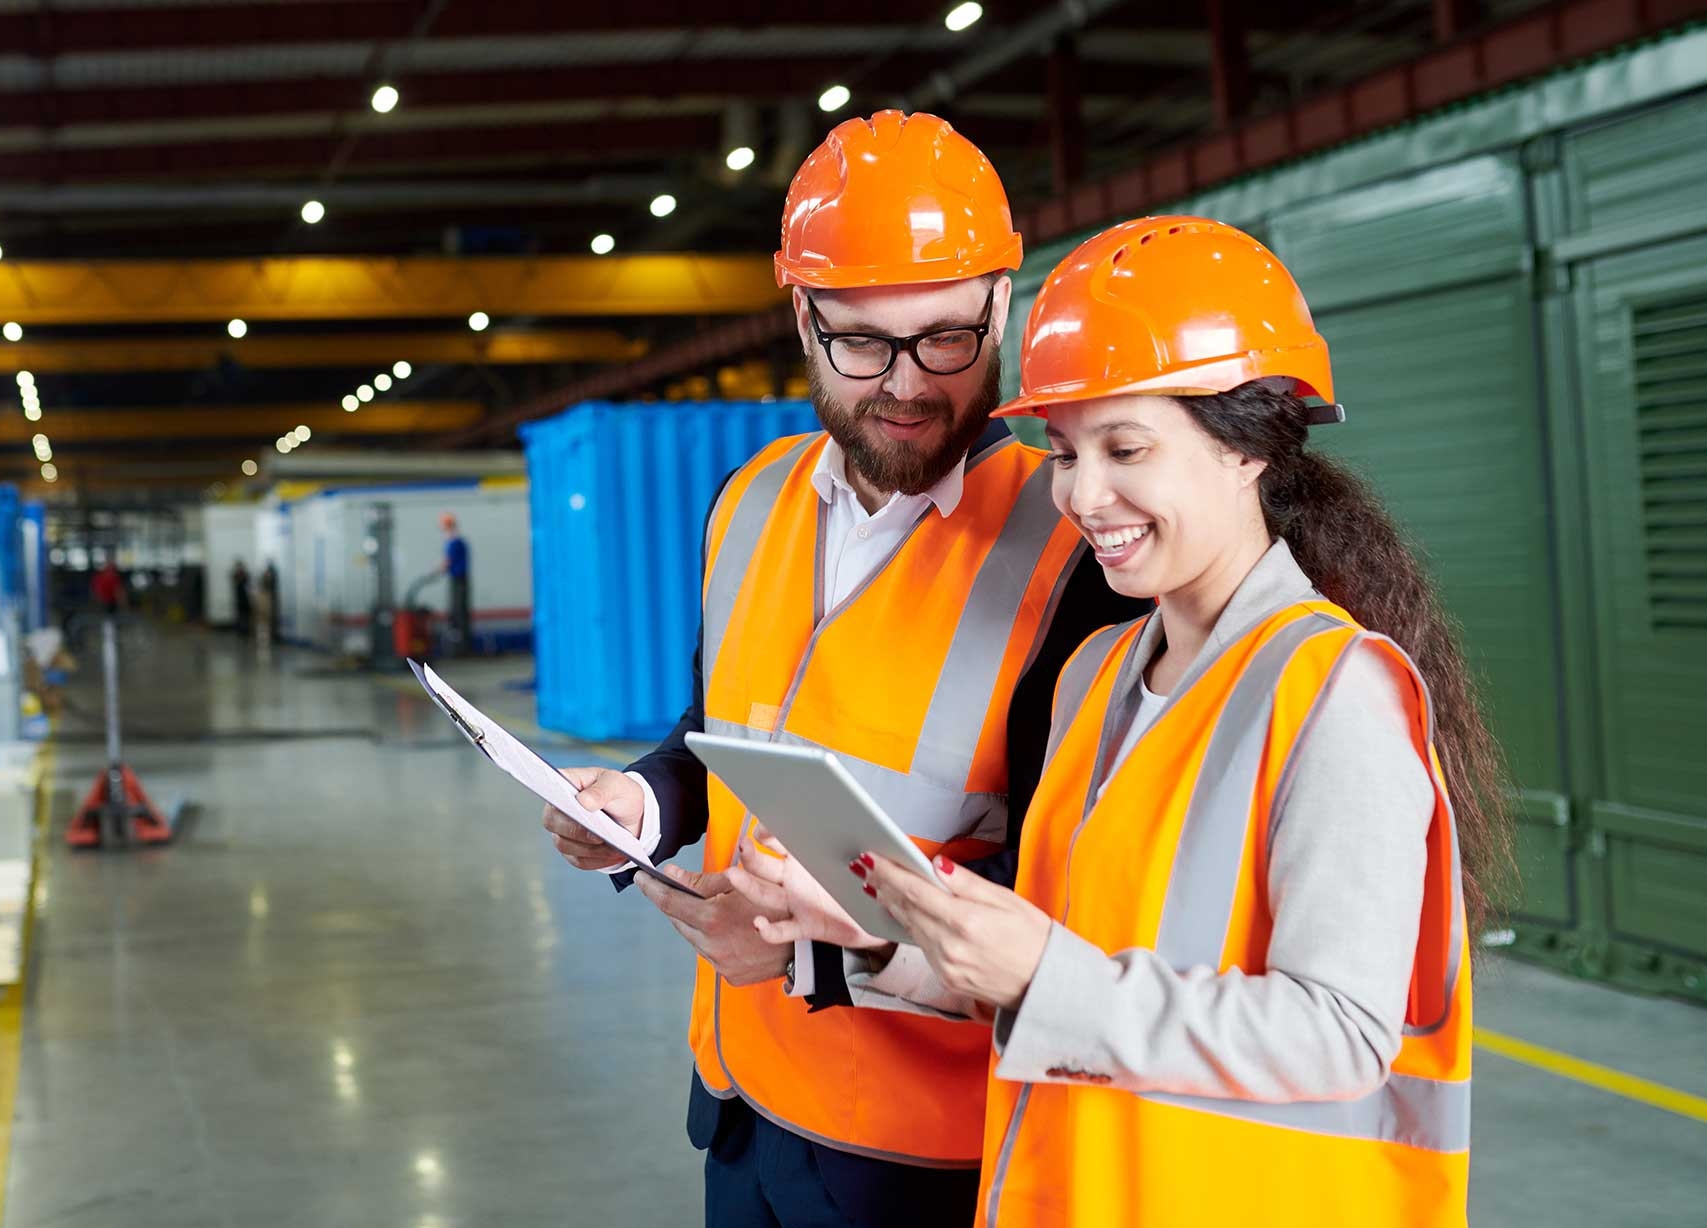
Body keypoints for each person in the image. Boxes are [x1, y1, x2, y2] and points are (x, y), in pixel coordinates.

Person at [745, 217, 1514, 1226]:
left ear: (1247, 449)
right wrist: (880, 943)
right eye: (1064, 452)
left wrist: (1044, 972)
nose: (1083, 494)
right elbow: (1065, 971)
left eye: (1126, 449)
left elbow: (1339, 1035)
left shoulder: (1336, 695)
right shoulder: (1094, 674)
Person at [538, 111, 1144, 1228]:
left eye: (945, 339)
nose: (906, 385)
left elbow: (1075, 907)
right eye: (861, 343)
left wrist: (813, 955)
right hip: (740, 1104)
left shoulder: (1080, 557)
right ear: (802, 319)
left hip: (925, 1153)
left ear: (1001, 303)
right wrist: (644, 802)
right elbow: (720, 730)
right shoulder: (749, 501)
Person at [439, 513, 471, 656]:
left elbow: (448, 561)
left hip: (459, 580)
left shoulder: (455, 542)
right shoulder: (453, 541)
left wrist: (439, 569)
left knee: (459, 612)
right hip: (456, 578)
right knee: (456, 612)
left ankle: (462, 646)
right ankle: (459, 644)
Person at [230, 558, 252, 638]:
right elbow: (234, 581)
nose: (239, 568)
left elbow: (248, 585)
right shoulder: (236, 575)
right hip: (239, 599)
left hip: (245, 599)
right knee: (239, 615)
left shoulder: (245, 575)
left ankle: (246, 630)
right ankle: (240, 630)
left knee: (245, 615)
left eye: (240, 567)